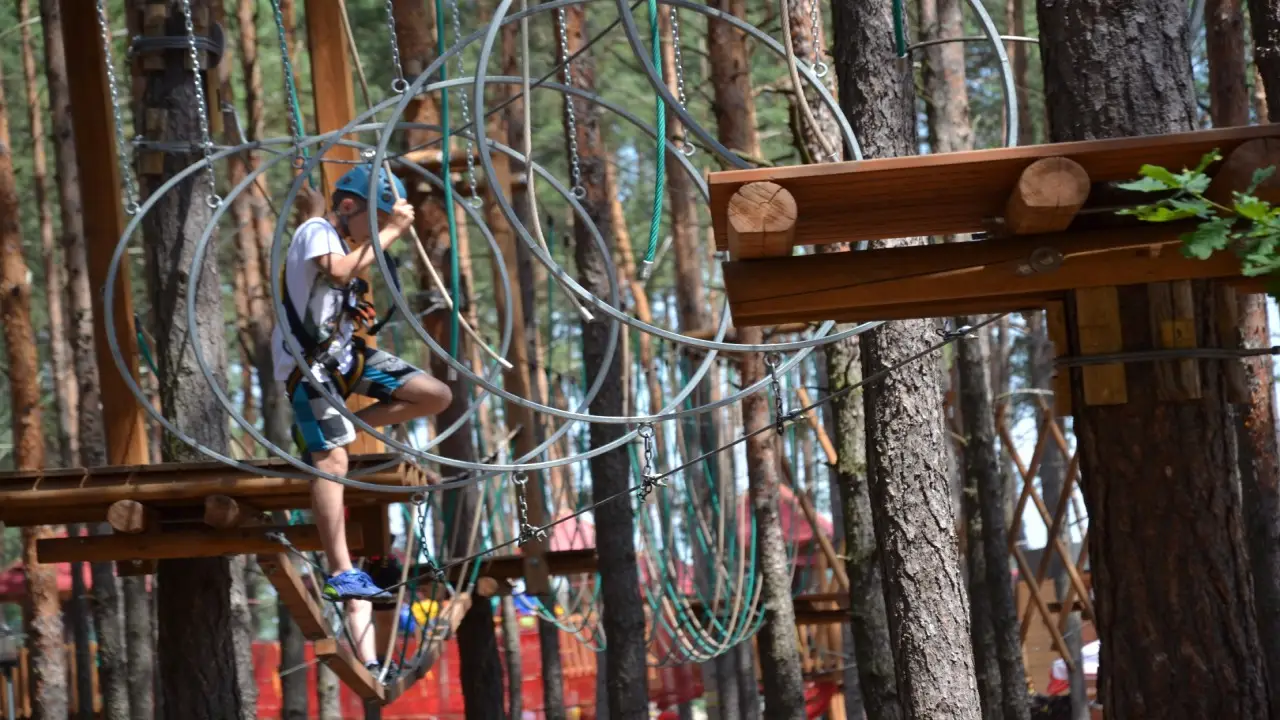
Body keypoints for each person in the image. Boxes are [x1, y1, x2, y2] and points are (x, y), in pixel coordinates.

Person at [271, 164, 452, 670]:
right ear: (348, 207)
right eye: (369, 222)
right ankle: (340, 566)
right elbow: (339, 270)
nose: (376, 235)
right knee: (332, 465)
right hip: (310, 368)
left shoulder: (335, 232)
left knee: (434, 394)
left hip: (346, 360)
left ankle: (352, 430)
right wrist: (393, 229)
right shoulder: (316, 232)